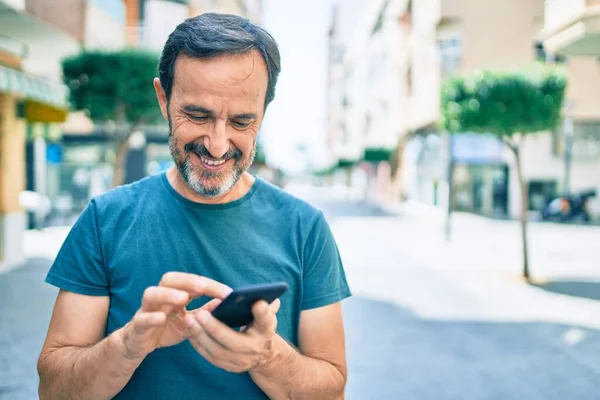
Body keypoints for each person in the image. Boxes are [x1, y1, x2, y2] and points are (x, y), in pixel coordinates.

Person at [37, 13, 351, 400]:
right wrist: (129, 345)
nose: (218, 145)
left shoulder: (306, 229)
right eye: (198, 115)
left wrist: (265, 356)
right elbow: (53, 391)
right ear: (163, 98)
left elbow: (332, 391)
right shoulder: (105, 220)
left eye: (241, 121)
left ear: (263, 113)